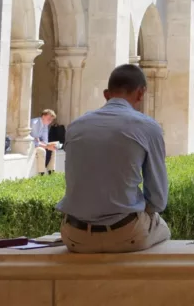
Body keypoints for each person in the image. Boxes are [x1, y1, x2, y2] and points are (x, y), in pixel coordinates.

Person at [56, 64, 171, 253]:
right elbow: (158, 200)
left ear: (106, 94)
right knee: (163, 229)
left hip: (74, 236)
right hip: (126, 234)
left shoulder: (76, 126)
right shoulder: (148, 127)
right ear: (141, 93)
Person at [30, 109, 59, 175]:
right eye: (49, 118)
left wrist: (47, 145)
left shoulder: (45, 125)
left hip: (37, 144)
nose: (50, 121)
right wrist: (45, 145)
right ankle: (41, 173)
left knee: (54, 149)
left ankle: (51, 172)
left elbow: (45, 141)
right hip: (30, 145)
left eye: (51, 120)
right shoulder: (35, 123)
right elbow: (35, 141)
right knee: (41, 150)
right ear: (43, 116)